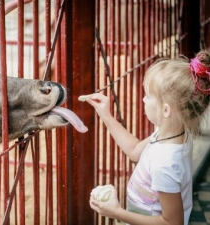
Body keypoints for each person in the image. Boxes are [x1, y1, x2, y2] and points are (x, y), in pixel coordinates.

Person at [87, 50, 210, 225]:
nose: (143, 100)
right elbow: (135, 151)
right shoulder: (172, 134)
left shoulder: (165, 164)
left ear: (166, 110)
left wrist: (116, 213)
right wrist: (106, 115)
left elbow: (172, 222)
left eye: (148, 95)